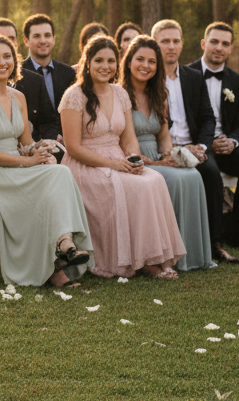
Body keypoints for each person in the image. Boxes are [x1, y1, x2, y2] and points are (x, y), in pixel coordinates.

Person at [0, 35, 92, 287]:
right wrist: (28, 162)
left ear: (15, 61)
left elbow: (25, 142)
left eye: (7, 56)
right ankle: (61, 251)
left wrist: (40, 150)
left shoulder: (18, 97)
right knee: (56, 175)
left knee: (59, 170)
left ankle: (63, 247)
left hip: (18, 164)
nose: (2, 62)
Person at [59, 35, 186, 279]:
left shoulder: (120, 94)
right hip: (85, 166)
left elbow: (128, 139)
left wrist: (134, 159)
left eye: (111, 61)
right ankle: (145, 263)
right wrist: (112, 164)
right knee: (137, 187)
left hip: (119, 160)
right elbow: (73, 147)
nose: (105, 66)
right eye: (99, 60)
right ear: (87, 62)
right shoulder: (73, 96)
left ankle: (157, 257)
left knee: (154, 180)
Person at [152, 19, 239, 265]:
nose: (171, 46)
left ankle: (214, 245)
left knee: (211, 174)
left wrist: (202, 147)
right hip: (161, 148)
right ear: (154, 44)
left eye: (176, 41)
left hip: (194, 147)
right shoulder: (148, 78)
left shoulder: (193, 77)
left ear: (182, 44)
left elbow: (208, 117)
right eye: (165, 41)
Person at [120, 35, 214, 272]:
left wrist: (171, 156)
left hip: (156, 156)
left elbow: (163, 137)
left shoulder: (159, 94)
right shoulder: (119, 94)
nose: (146, 65)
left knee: (192, 175)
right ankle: (163, 255)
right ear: (129, 62)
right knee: (172, 178)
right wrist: (155, 163)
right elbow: (126, 141)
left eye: (152, 61)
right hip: (132, 157)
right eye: (140, 59)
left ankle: (190, 255)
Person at [187, 22, 239, 252]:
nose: (219, 47)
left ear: (231, 48)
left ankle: (237, 232)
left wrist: (232, 142)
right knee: (211, 174)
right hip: (199, 143)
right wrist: (207, 142)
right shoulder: (185, 75)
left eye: (225, 44)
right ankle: (214, 238)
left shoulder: (238, 81)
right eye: (214, 42)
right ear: (203, 43)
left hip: (226, 144)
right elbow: (183, 120)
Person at [0, 19, 61, 144]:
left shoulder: (35, 81)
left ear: (17, 43)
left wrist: (42, 147)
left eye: (11, 38)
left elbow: (48, 122)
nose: (5, 43)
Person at [23, 13, 76, 113]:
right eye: (36, 36)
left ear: (53, 39)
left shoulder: (68, 73)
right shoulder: (19, 74)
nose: (43, 41)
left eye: (47, 35)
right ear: (26, 41)